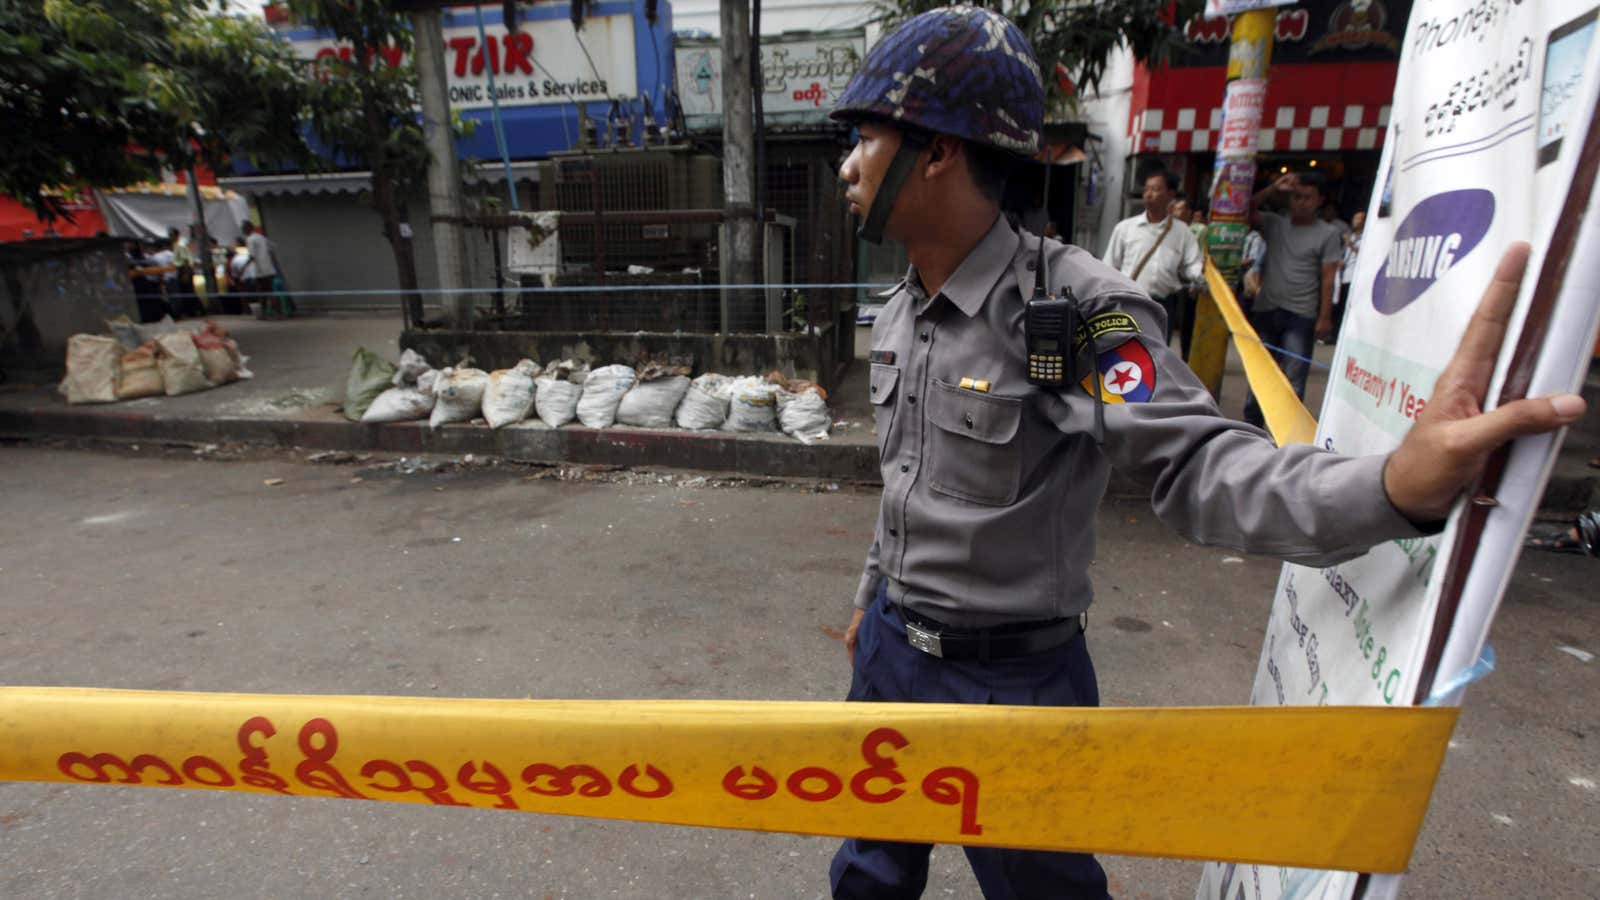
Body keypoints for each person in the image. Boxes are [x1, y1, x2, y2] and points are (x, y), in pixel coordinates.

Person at [828, 7, 1585, 898]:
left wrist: (1392, 487)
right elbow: (906, 487)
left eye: (866, 138)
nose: (846, 165)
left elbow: (1200, 461)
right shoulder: (903, 307)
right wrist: (873, 599)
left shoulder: (1080, 313)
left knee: (1045, 892)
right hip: (890, 659)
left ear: (940, 151)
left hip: (1013, 685)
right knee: (867, 878)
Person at [1241, 171, 1344, 428]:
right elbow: (1244, 209)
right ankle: (1251, 429)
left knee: (1294, 380)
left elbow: (1328, 278)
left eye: (1308, 198)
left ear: (1320, 200)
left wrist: (1324, 317)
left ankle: (1284, 433)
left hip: (1301, 315)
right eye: (1297, 197)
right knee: (1261, 374)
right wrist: (1273, 189)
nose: (1301, 202)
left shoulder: (1328, 234)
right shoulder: (1275, 224)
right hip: (1267, 310)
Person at [1103, 170, 1203, 351]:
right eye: (1147, 189)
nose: (1149, 194)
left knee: (1157, 355)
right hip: (1130, 302)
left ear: (1171, 195)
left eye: (1156, 189)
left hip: (1163, 306)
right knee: (1126, 352)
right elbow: (1109, 266)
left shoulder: (1182, 232)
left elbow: (1192, 263)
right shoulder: (1125, 228)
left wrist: (1199, 276)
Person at [241, 221, 286, 318]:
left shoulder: (250, 239)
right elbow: (273, 248)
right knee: (270, 291)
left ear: (248, 228)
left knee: (262, 292)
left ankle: (263, 314)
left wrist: (243, 268)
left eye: (243, 229)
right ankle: (278, 312)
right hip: (269, 269)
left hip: (260, 271)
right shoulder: (261, 237)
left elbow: (252, 256)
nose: (243, 231)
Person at [1333, 210, 1365, 341]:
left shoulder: (1366, 237)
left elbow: (1363, 254)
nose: (1355, 221)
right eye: (1354, 218)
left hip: (1354, 276)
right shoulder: (1350, 236)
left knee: (1349, 307)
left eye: (1358, 219)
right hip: (1344, 275)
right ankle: (1335, 334)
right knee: (1339, 306)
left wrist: (1350, 245)